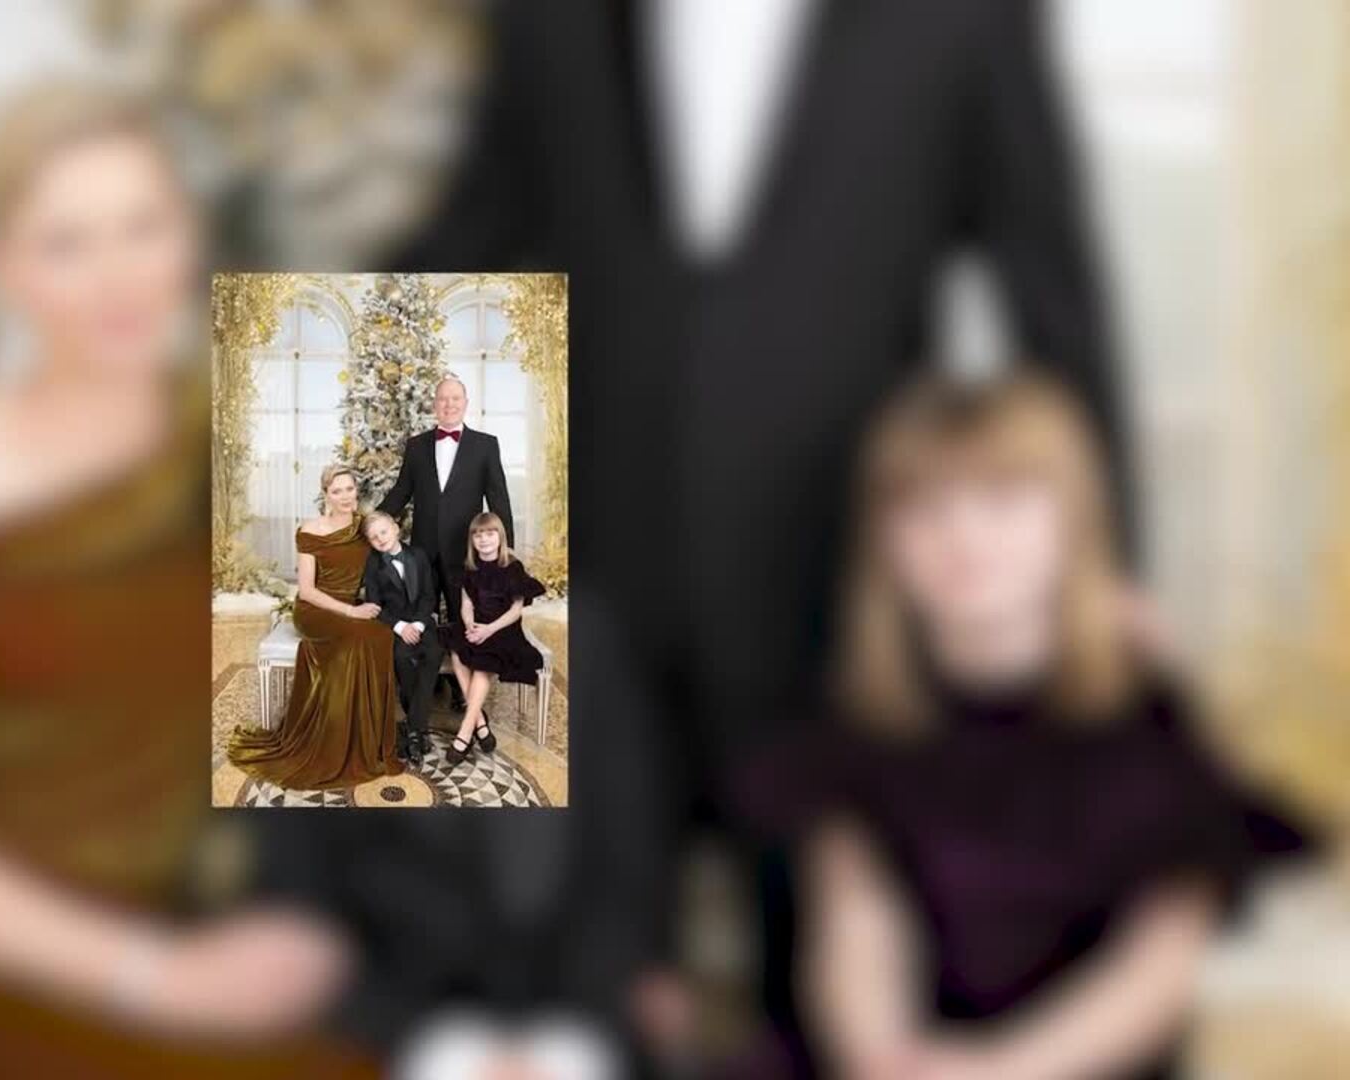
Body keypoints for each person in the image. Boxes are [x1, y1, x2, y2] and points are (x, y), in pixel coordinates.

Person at [388, 0, 1132, 1060]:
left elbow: (1054, 294)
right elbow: (465, 237)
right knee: (583, 998)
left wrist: (1105, 578)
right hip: (588, 606)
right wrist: (264, 455)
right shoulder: (547, 17)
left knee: (843, 995)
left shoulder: (966, 19)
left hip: (851, 601)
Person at [0, 78, 369, 1077]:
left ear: (188, 236)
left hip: (194, 929)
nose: (117, 279)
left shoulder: (276, 444)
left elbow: (385, 746)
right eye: (65, 244)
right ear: (2, 270)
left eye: (142, 228)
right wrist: (153, 978)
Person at [725, 373, 1308, 1079]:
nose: (963, 537)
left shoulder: (1142, 721)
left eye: (1003, 502)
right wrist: (885, 1061)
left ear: (1075, 522)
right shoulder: (857, 730)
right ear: (884, 542)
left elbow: (1160, 963)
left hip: (1073, 1061)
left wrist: (1000, 1072)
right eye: (924, 509)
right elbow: (856, 923)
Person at [227, 465, 404, 789]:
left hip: (350, 606)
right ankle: (330, 742)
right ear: (326, 495)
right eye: (337, 491)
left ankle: (365, 740)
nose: (345, 496)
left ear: (356, 490)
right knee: (356, 639)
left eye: (349, 489)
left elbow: (391, 553)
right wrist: (351, 611)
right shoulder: (310, 531)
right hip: (315, 610)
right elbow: (307, 591)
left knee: (379, 636)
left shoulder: (364, 528)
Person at [377, 375, 514, 709]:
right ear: (434, 405)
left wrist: (505, 550)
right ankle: (421, 686)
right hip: (422, 551)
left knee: (461, 618)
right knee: (418, 614)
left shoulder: (485, 445)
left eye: (455, 398)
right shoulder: (417, 445)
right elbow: (401, 491)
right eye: (442, 399)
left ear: (465, 403)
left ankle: (461, 690)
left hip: (463, 551)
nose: (449, 404)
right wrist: (374, 521)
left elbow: (498, 498)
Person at [440, 513, 548, 765]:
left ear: (500, 536)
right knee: (456, 649)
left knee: (481, 664)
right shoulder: (471, 568)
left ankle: (466, 729)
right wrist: (470, 625)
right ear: (472, 540)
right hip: (477, 625)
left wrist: (488, 630)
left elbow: (515, 611)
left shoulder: (512, 567)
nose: (484, 539)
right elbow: (466, 604)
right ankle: (481, 723)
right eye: (478, 535)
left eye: (490, 534)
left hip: (503, 629)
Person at [361, 511, 444, 767]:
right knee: (402, 658)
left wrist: (418, 624)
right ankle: (419, 730)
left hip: (422, 623)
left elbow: (429, 595)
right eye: (374, 537)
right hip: (395, 627)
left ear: (396, 529)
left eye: (383, 532)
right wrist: (400, 627)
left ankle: (414, 728)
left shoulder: (418, 555)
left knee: (433, 654)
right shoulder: (373, 564)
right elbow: (375, 605)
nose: (380, 539)